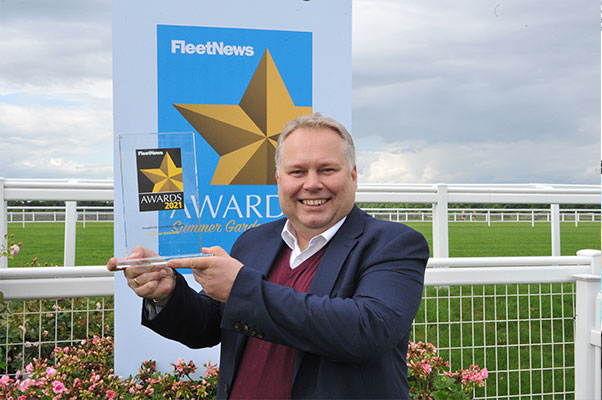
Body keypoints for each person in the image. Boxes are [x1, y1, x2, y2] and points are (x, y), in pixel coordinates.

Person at [108, 113, 429, 399]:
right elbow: (209, 325)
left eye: (327, 170)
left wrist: (240, 288)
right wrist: (168, 292)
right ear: (279, 179)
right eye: (297, 171)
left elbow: (367, 330)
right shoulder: (254, 241)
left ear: (353, 175)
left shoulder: (393, 244)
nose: (312, 184)